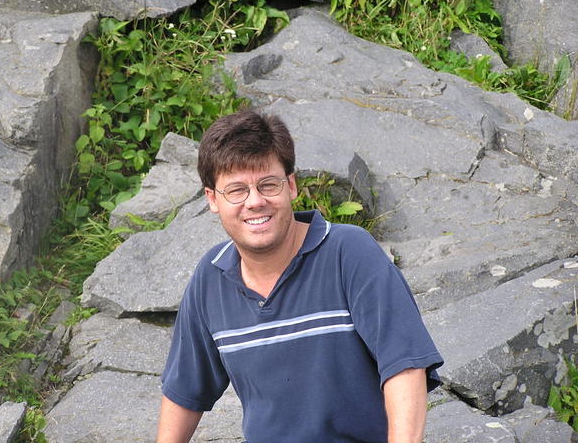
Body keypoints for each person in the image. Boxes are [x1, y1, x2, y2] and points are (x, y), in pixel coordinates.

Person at [156, 110, 443, 443]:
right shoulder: (211, 278)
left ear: (291, 185)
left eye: (268, 184)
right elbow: (184, 392)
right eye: (236, 190)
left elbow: (405, 366)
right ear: (212, 200)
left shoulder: (349, 252)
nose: (255, 202)